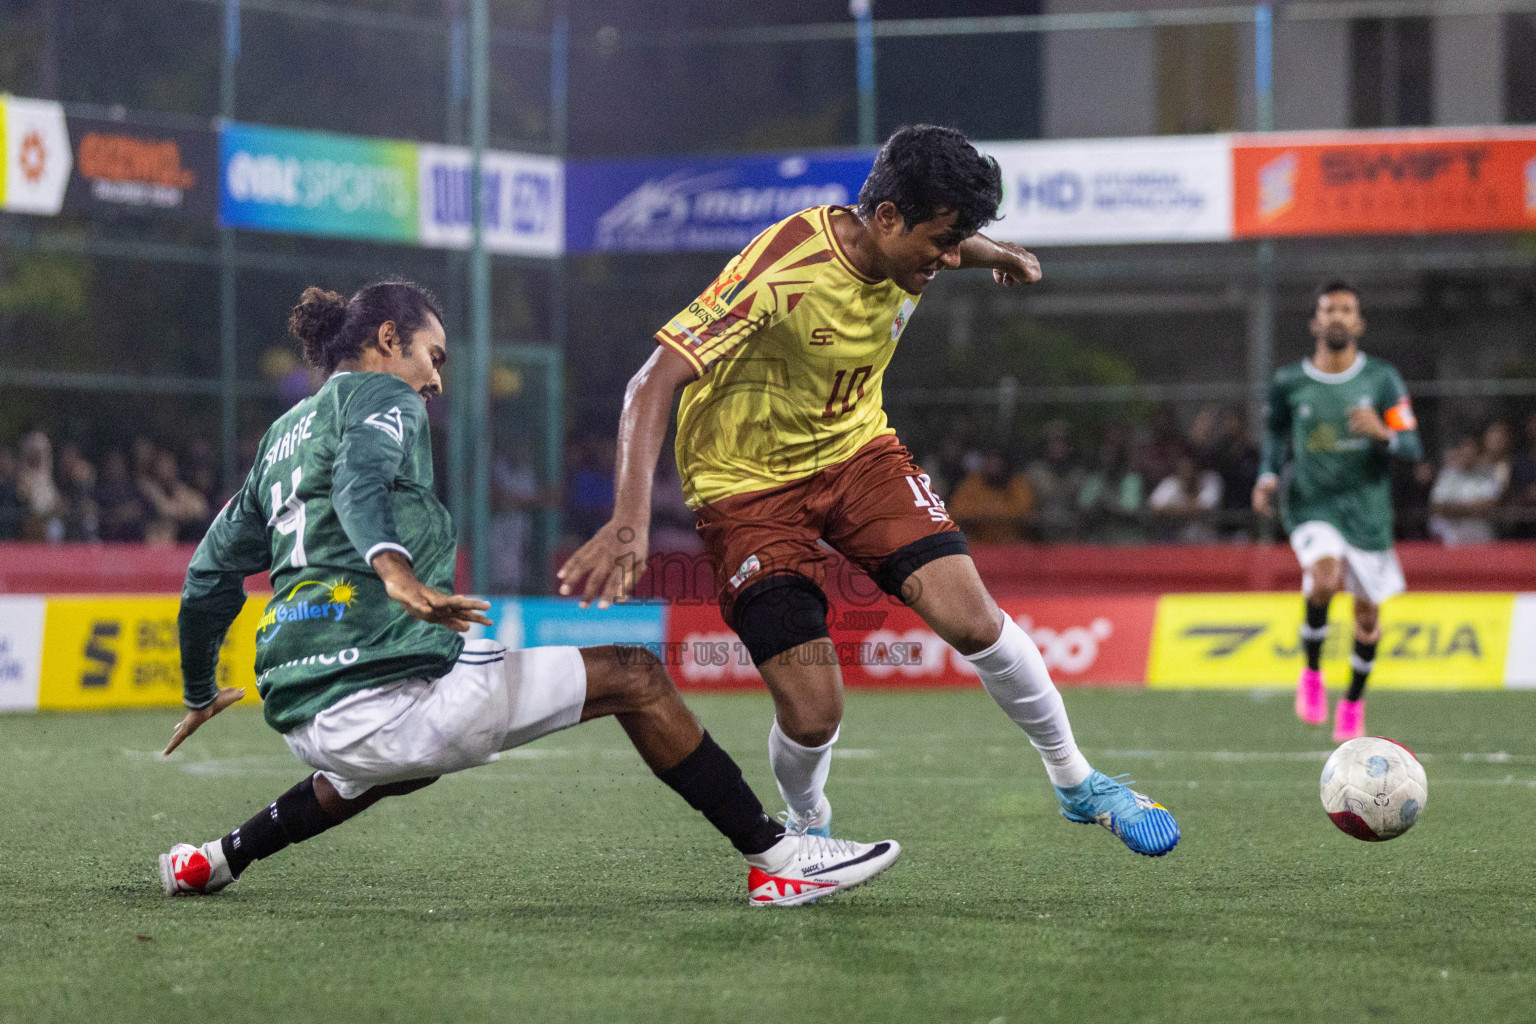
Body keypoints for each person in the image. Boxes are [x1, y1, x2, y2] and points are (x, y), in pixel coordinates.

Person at [159, 279, 899, 908]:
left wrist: (199, 690)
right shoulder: (385, 398)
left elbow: (207, 579)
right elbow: (360, 478)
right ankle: (780, 859)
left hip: (306, 705)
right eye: (433, 356)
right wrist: (393, 569)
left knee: (391, 766)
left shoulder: (282, 438)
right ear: (390, 338)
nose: (437, 379)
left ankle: (218, 858)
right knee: (633, 676)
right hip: (371, 684)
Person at [559, 125, 1179, 858]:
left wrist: (997, 252)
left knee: (974, 622)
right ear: (886, 218)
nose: (949, 260)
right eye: (944, 241)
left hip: (859, 456)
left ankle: (1077, 783)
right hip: (747, 489)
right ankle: (809, 820)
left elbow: (948, 246)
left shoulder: (912, 245)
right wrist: (630, 519)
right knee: (815, 711)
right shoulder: (784, 269)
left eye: (961, 243)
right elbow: (652, 379)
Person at [1253, 280, 1423, 742]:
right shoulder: (1290, 382)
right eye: (1329, 309)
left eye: (1347, 310)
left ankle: (1351, 702)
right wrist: (1267, 476)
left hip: (1367, 509)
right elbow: (1273, 437)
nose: (1337, 317)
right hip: (1312, 502)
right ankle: (1311, 673)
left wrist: (1383, 432)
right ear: (1315, 321)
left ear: (1359, 323)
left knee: (1367, 617)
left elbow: (1412, 444)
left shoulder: (1382, 379)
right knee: (1324, 579)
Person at [1427, 434, 1500, 546]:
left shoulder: (1487, 475)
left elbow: (1489, 505)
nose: (1468, 455)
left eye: (1472, 451)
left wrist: (1455, 509)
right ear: (1459, 451)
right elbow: (1437, 505)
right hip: (1452, 539)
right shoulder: (1448, 475)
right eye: (1465, 451)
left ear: (1478, 453)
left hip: (1480, 538)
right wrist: (1470, 509)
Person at [947, 451, 1034, 544]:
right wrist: (982, 513)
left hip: (1011, 543)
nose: (992, 469)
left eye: (996, 464)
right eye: (989, 464)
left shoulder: (1017, 484)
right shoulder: (971, 484)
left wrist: (994, 512)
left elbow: (1025, 511)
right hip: (977, 543)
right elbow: (956, 511)